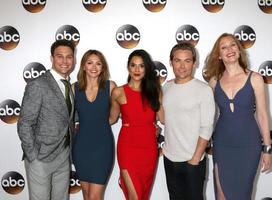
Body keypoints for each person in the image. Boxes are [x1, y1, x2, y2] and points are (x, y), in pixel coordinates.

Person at [203, 33, 272, 200]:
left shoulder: (255, 78)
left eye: (233, 45)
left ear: (239, 50)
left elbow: (263, 115)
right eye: (224, 47)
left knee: (242, 195)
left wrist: (267, 149)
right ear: (218, 55)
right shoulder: (213, 81)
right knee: (222, 195)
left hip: (249, 145)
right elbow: (204, 112)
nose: (229, 50)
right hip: (222, 144)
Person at [17, 39, 75, 200]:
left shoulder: (69, 86)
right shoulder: (38, 84)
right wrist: (33, 155)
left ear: (73, 59)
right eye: (59, 56)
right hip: (40, 158)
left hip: (63, 157)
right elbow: (25, 122)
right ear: (52, 58)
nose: (64, 61)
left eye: (69, 57)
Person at [162, 42, 215, 200]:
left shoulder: (203, 90)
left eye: (187, 61)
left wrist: (195, 159)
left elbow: (207, 128)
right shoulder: (167, 87)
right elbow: (165, 119)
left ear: (194, 63)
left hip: (193, 160)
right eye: (177, 60)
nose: (182, 66)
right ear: (171, 62)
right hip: (169, 157)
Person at [109, 49, 163, 200]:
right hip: (127, 147)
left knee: (143, 195)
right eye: (133, 65)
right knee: (134, 196)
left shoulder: (155, 91)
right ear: (128, 67)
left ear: (147, 69)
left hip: (149, 148)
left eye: (141, 66)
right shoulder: (118, 92)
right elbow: (112, 119)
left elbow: (163, 119)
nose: (137, 70)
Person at [72, 50, 116, 200]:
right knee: (86, 196)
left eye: (98, 63)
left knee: (95, 197)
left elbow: (114, 117)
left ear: (103, 67)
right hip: (81, 148)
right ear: (83, 66)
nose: (94, 67)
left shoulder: (110, 87)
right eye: (90, 63)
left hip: (102, 148)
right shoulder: (74, 88)